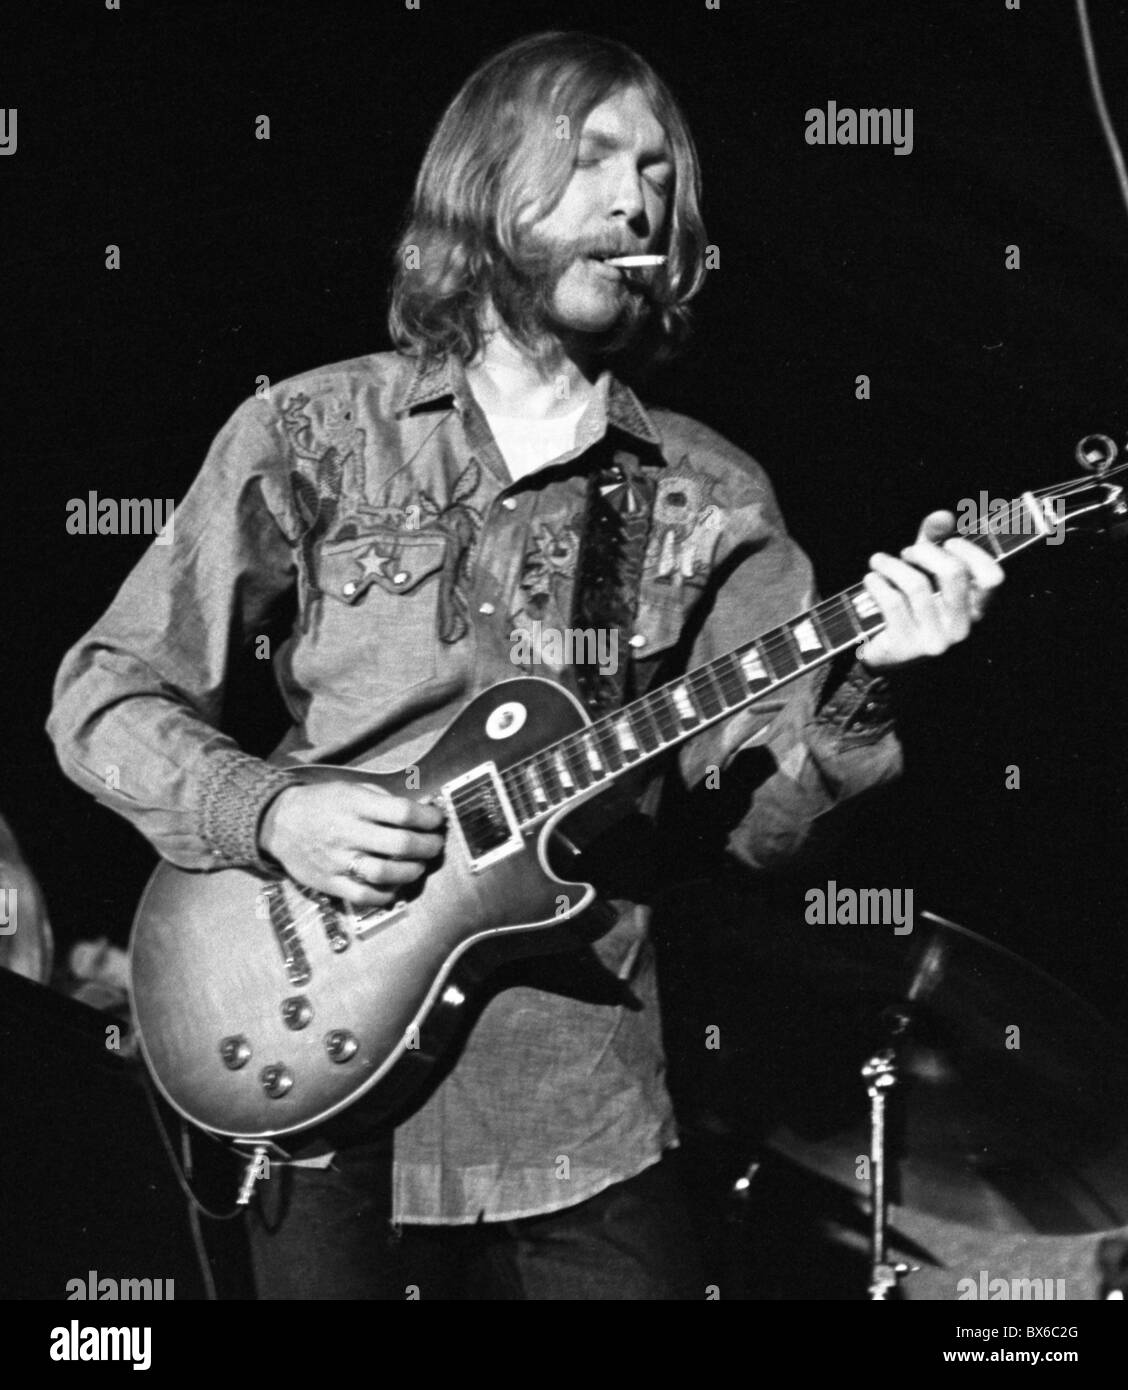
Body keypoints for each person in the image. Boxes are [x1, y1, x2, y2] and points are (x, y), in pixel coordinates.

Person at [46, 30, 1003, 1300]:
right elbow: (103, 692)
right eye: (595, 158)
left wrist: (875, 677)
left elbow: (762, 844)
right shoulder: (317, 427)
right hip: (314, 1072)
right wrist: (272, 811)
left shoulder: (710, 498)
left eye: (660, 176)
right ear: (489, 186)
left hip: (579, 1106)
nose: (636, 202)